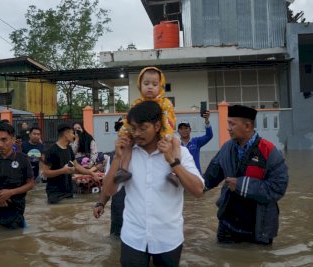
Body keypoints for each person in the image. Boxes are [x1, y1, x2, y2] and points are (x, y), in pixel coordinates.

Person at [103, 100, 204, 266]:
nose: (137, 133)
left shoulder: (180, 153)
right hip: (133, 238)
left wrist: (172, 162)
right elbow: (109, 190)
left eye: (143, 128)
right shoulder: (126, 154)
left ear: (157, 126)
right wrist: (117, 157)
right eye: (133, 128)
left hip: (168, 239)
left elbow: (198, 190)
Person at [203, 105, 289, 245]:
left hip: (258, 228)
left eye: (232, 124)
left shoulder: (269, 151)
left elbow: (278, 188)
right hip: (227, 225)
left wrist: (241, 185)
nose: (228, 128)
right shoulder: (226, 148)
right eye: (228, 123)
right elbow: (209, 178)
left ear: (248, 126)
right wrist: (184, 179)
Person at [114, 66, 180, 187]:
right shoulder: (137, 103)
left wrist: (166, 136)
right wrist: (123, 133)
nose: (150, 87)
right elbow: (129, 120)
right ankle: (123, 169)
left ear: (161, 86)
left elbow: (168, 120)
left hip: (165, 132)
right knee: (128, 143)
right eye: (146, 83)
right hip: (143, 136)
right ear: (140, 85)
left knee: (176, 142)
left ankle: (175, 173)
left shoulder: (165, 103)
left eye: (154, 84)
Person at [0, 122, 35, 228]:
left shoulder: (23, 159)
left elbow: (31, 184)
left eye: (4, 140)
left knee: (14, 238)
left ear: (13, 140)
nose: (0, 144)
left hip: (15, 208)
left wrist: (10, 192)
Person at [41, 123, 100, 204]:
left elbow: (77, 166)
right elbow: (45, 173)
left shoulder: (69, 148)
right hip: (55, 193)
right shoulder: (51, 150)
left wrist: (91, 173)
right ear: (66, 134)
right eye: (73, 133)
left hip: (68, 191)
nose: (74, 136)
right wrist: (63, 171)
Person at [93, 117, 125, 238]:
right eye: (120, 129)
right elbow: (108, 183)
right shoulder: (113, 156)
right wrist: (100, 203)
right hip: (118, 212)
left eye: (126, 129)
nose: (123, 133)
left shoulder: (143, 155)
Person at [177, 110, 213, 174]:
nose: (184, 130)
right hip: (182, 177)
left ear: (190, 130)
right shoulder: (176, 144)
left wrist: (207, 121)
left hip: (196, 175)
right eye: (181, 128)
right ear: (178, 131)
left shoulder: (196, 141)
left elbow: (209, 135)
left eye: (186, 128)